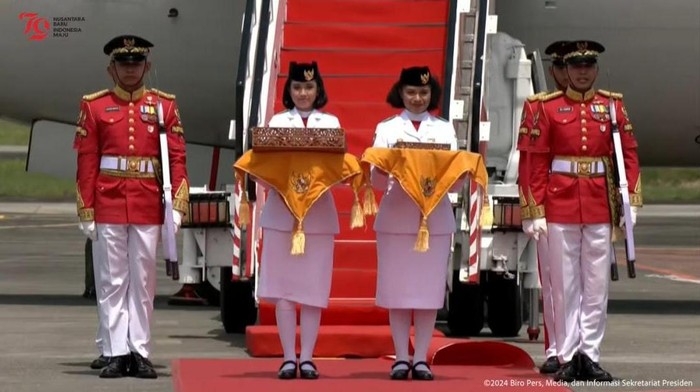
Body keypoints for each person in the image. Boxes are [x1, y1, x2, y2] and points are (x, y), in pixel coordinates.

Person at [74, 34, 190, 378]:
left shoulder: (164, 106)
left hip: (147, 202)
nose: (129, 69)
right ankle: (115, 351)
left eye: (136, 63)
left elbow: (178, 158)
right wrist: (86, 208)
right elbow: (87, 160)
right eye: (123, 64)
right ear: (112, 68)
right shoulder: (94, 106)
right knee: (111, 281)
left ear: (147, 66)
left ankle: (139, 350)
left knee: (142, 281)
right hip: (108, 201)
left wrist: (178, 205)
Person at [526, 40, 642, 382]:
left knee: (596, 285)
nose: (582, 71)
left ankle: (589, 354)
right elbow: (536, 162)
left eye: (588, 65)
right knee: (564, 285)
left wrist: (631, 200)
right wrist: (534, 209)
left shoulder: (612, 106)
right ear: (567, 71)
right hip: (559, 201)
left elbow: (629, 155)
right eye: (576, 66)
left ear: (595, 69)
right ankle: (566, 354)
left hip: (599, 203)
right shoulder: (547, 108)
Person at [370, 66, 459, 381]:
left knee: (427, 291)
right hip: (397, 216)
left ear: (432, 94)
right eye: (411, 92)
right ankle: (401, 356)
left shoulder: (445, 130)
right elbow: (376, 181)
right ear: (401, 93)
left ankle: (421, 358)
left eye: (423, 92)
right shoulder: (388, 129)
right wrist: (384, 167)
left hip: (434, 217)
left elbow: (456, 182)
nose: (418, 98)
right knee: (398, 292)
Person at [256, 61, 339, 380]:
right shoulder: (278, 122)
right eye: (297, 87)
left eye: (309, 87)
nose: (303, 93)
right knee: (285, 292)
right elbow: (264, 169)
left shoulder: (330, 123)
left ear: (318, 90)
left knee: (313, 291)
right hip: (282, 214)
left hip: (317, 215)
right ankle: (288, 357)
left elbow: (337, 170)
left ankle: (308, 357)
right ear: (288, 91)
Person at [517, 40, 570, 374]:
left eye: (578, 67)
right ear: (552, 71)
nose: (570, 74)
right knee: (552, 282)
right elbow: (529, 163)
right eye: (563, 67)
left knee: (588, 284)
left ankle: (582, 347)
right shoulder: (539, 107)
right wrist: (532, 208)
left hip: (588, 205)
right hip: (552, 203)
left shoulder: (601, 107)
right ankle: (555, 347)